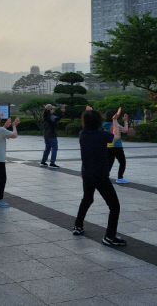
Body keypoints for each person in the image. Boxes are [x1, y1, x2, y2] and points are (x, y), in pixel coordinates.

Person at [73, 106, 126, 247]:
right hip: (100, 176)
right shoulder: (103, 136)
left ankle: (78, 226)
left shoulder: (82, 135)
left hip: (87, 174)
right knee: (114, 206)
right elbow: (117, 137)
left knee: (87, 199)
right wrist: (115, 120)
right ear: (98, 122)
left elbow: (90, 126)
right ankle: (109, 236)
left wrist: (89, 113)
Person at [103, 110, 130, 184]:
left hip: (108, 146)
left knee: (109, 162)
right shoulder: (116, 124)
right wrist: (125, 121)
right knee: (122, 162)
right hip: (117, 146)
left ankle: (105, 177)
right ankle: (120, 178)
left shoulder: (104, 124)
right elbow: (125, 130)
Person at [41, 104, 65, 168]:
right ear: (50, 109)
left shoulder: (45, 116)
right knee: (54, 148)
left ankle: (43, 162)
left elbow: (55, 119)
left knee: (47, 149)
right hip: (51, 135)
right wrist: (62, 113)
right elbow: (56, 119)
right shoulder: (50, 116)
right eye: (53, 109)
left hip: (46, 135)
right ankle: (52, 163)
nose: (54, 110)